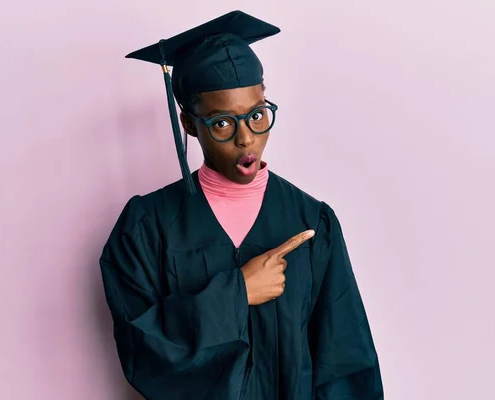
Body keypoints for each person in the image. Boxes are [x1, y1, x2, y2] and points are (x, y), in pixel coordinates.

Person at [99, 10, 384, 400]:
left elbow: (345, 361)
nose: (246, 139)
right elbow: (140, 348)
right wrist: (237, 295)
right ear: (188, 123)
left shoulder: (311, 221)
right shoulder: (147, 227)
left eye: (257, 115)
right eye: (221, 123)